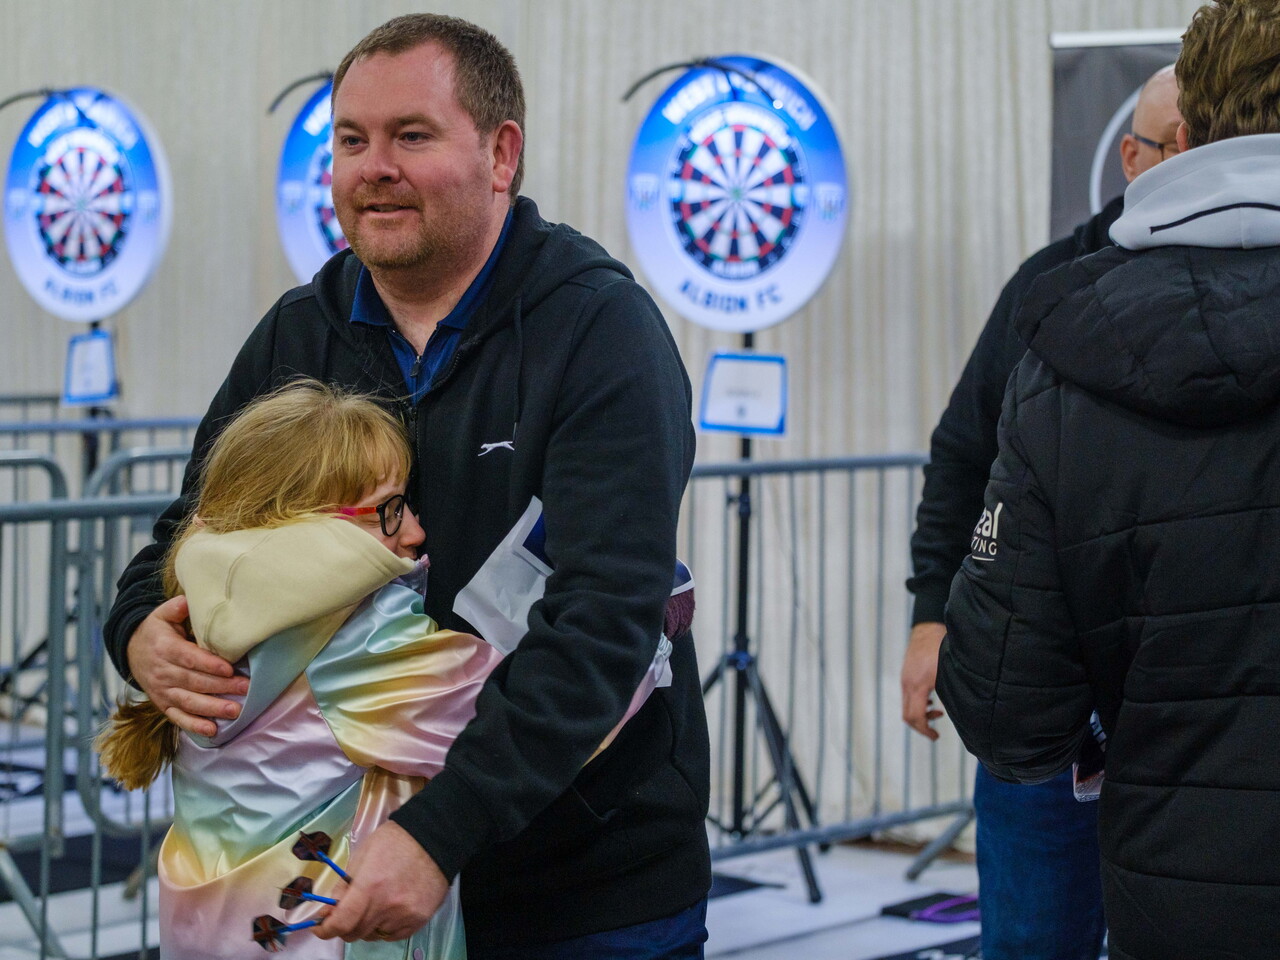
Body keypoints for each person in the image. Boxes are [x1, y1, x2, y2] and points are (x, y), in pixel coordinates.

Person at [101, 14, 708, 959]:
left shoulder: (599, 333)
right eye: (350, 140)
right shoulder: (298, 334)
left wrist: (440, 834)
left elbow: (605, 618)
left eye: (410, 136)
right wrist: (138, 627)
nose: (371, 166)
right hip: (348, 900)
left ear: (500, 154)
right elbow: (193, 530)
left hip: (580, 890)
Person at [936, 1, 1280, 957]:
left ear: (1195, 129)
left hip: (1177, 906)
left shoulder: (1069, 351)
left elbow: (1006, 706)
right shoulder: (1057, 322)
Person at [902, 65, 1181, 959]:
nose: (1194, 160)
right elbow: (961, 453)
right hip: (1046, 706)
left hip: (1189, 713)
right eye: (1175, 143)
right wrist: (930, 615)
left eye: (1209, 138)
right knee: (1033, 939)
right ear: (1131, 159)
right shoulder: (1049, 287)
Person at [98, 381, 503, 958]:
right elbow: (543, 705)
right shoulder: (360, 640)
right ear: (309, 526)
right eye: (389, 511)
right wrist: (642, 620)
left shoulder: (202, 613)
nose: (415, 530)